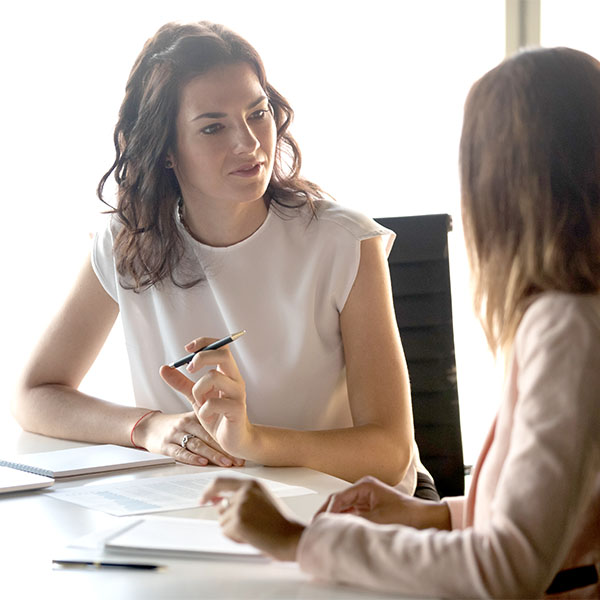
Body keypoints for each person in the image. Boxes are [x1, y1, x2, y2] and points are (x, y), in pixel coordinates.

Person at [199, 47, 600, 598]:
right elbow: (567, 520)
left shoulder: (567, 327)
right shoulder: (573, 311)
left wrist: (296, 541)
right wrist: (433, 518)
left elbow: (507, 569)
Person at [13, 20, 433, 494]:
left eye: (258, 114)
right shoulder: (127, 242)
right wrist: (149, 427)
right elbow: (36, 395)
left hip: (359, 504)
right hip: (206, 507)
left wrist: (253, 440)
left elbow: (390, 450)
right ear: (166, 150)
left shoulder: (343, 241)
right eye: (213, 127)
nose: (250, 144)